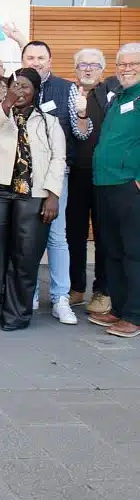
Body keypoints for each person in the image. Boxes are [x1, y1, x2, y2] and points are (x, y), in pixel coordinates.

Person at [7, 31, 94, 323]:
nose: (36, 62)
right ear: (22, 60)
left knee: (57, 238)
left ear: (50, 61)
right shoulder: (15, 86)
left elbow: (81, 133)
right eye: (30, 57)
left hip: (58, 175)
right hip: (21, 176)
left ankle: (60, 298)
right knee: (25, 237)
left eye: (41, 58)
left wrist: (83, 115)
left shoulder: (66, 88)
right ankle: (28, 294)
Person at [0, 68, 65, 331]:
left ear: (35, 91)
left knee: (25, 257)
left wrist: (53, 196)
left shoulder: (49, 123)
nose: (19, 91)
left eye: (25, 87)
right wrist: (6, 103)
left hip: (33, 195)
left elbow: (58, 159)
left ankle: (16, 315)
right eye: (15, 86)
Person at [89, 43, 140, 338]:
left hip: (128, 186)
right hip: (105, 183)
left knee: (134, 252)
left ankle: (134, 314)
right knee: (112, 251)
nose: (127, 69)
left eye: (133, 64)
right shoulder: (119, 97)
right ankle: (120, 309)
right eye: (122, 64)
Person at [67, 48, 110, 313]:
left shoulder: (112, 94)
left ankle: (103, 290)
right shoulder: (70, 94)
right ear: (75, 69)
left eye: (94, 65)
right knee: (75, 234)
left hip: (105, 175)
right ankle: (76, 287)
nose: (88, 69)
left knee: (104, 235)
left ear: (102, 70)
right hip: (75, 173)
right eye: (83, 64)